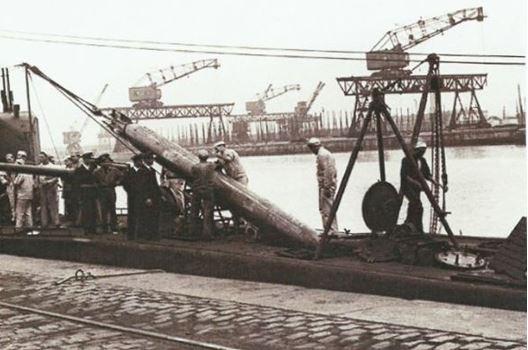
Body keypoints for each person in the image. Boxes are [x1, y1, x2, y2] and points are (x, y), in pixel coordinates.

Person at [400, 139, 443, 232]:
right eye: (420, 151)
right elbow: (405, 176)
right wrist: (417, 183)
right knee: (417, 205)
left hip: (417, 188)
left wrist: (436, 183)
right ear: (416, 150)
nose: (422, 153)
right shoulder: (406, 160)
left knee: (413, 205)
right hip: (407, 187)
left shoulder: (422, 161)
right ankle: (417, 228)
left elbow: (427, 174)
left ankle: (410, 225)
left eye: (424, 151)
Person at [307, 137, 338, 235]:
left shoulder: (322, 155)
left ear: (314, 147)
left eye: (311, 149)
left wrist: (327, 187)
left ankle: (331, 231)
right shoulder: (324, 154)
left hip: (326, 186)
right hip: (325, 186)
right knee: (325, 208)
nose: (312, 151)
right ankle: (329, 230)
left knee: (327, 209)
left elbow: (328, 172)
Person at [93, 153, 124, 234]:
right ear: (101, 163)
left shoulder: (114, 170)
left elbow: (122, 176)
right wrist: (98, 186)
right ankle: (105, 228)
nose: (107, 163)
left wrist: (117, 182)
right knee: (103, 210)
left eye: (108, 161)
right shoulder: (96, 172)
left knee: (112, 209)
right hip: (102, 191)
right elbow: (94, 181)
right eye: (105, 162)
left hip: (111, 190)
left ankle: (114, 227)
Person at [190, 149, 217, 239]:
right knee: (208, 212)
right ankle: (207, 233)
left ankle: (194, 231)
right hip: (208, 190)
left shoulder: (195, 167)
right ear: (207, 157)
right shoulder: (211, 166)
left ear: (199, 157)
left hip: (197, 189)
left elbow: (192, 175)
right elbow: (219, 164)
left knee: (194, 211)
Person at [74, 152, 98, 234]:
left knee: (94, 210)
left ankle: (93, 228)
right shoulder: (79, 170)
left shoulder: (93, 168)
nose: (91, 160)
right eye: (89, 159)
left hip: (93, 191)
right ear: (85, 159)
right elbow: (77, 183)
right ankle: (86, 229)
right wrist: (79, 196)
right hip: (84, 191)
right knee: (86, 211)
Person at [37, 151, 60, 228]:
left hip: (51, 187)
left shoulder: (53, 166)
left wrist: (49, 182)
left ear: (46, 157)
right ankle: (44, 222)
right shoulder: (38, 167)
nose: (40, 159)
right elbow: (37, 177)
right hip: (42, 187)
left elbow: (56, 178)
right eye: (39, 157)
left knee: (53, 205)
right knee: (43, 205)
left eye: (42, 157)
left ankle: (56, 222)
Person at [13, 157, 34, 229]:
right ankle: (30, 227)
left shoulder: (21, 173)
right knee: (28, 212)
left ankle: (18, 227)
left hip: (22, 195)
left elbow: (16, 183)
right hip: (29, 194)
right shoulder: (29, 173)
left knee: (19, 212)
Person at [1, 153, 16, 223]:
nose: (8, 161)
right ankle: (13, 217)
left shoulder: (17, 166)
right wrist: (6, 181)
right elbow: (2, 177)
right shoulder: (5, 168)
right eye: (7, 160)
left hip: (18, 187)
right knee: (11, 203)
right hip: (10, 187)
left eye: (10, 159)